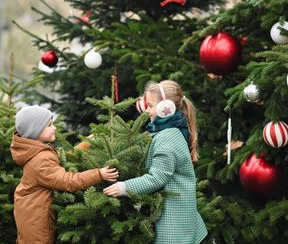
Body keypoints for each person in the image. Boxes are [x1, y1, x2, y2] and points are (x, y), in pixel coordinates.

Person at [103, 80, 208, 244]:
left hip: (174, 224)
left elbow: (157, 178)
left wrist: (124, 187)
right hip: (178, 215)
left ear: (166, 108)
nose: (147, 110)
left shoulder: (167, 139)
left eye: (151, 105)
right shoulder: (168, 132)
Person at [10, 105, 119, 244]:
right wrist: (98, 174)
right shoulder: (40, 160)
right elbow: (67, 181)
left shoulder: (38, 151)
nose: (54, 127)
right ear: (35, 132)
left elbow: (60, 162)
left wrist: (86, 144)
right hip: (35, 221)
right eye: (49, 125)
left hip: (30, 211)